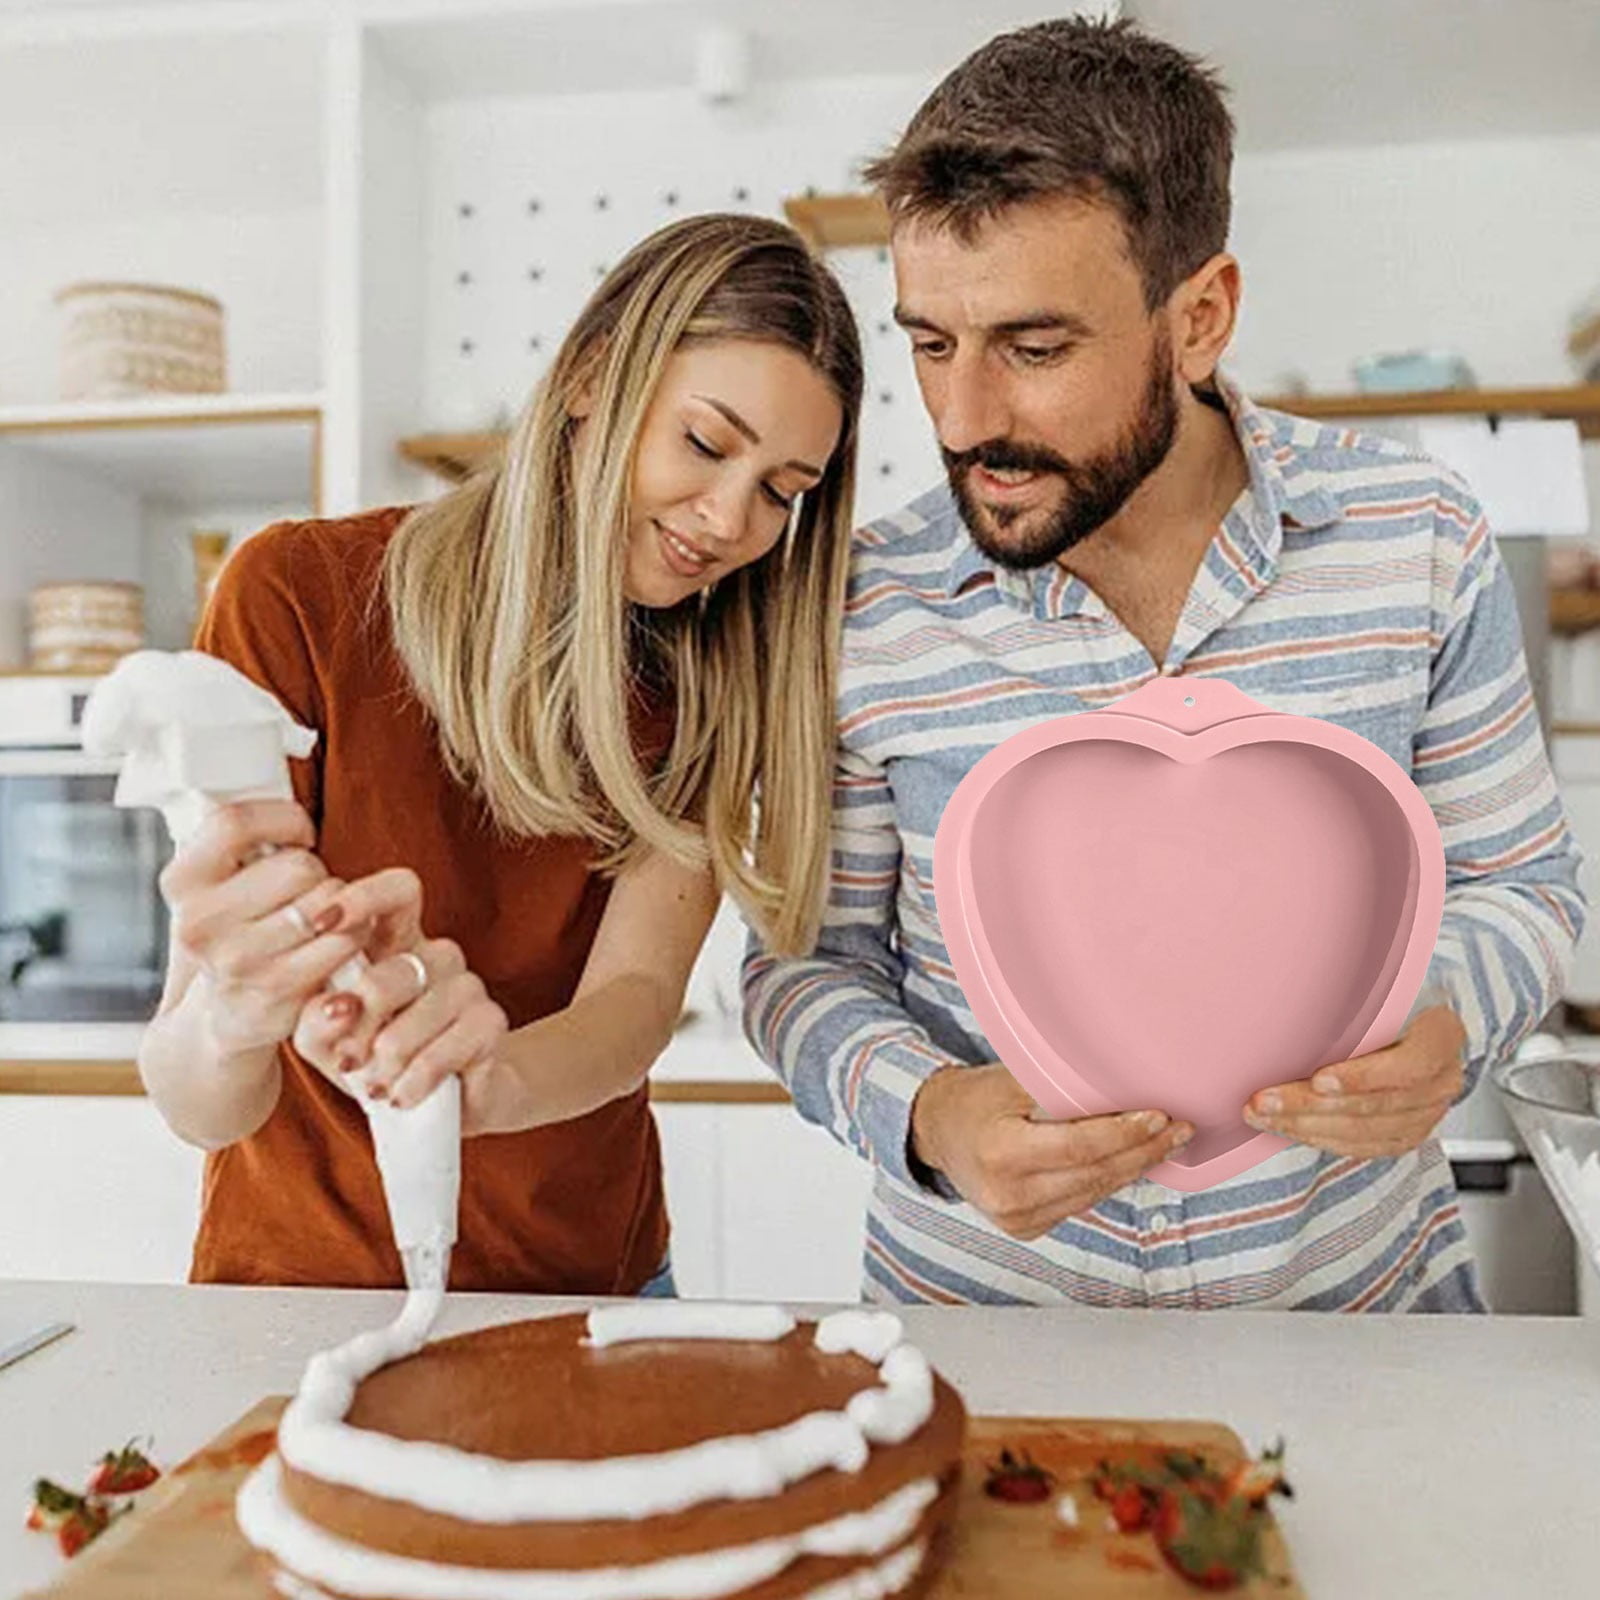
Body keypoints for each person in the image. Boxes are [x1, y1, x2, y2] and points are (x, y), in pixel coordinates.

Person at [742, 18, 1584, 1311]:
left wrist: (1448, 1025)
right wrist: (932, 1111)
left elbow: (1519, 885)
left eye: (1034, 350)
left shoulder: (1414, 538)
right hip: (990, 1336)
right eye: (930, 343)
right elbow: (803, 963)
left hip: (1356, 1321)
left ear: (1200, 318)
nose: (962, 420)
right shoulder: (862, 602)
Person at [140, 213, 861, 1293]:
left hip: (589, 1284)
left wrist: (483, 1082)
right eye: (707, 445)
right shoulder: (297, 596)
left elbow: (634, 998)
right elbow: (201, 1101)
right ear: (591, 378)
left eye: (780, 492)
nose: (728, 520)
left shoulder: (710, 683)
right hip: (294, 1296)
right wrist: (233, 1018)